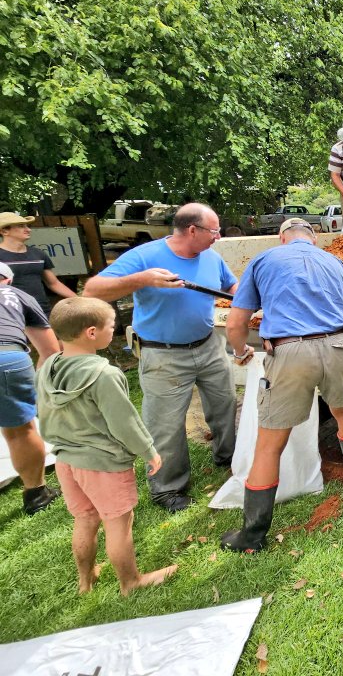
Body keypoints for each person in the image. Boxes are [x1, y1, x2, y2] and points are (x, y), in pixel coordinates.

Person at [83, 203, 237, 512]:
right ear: (192, 230)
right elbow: (92, 291)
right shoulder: (144, 257)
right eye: (214, 230)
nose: (218, 237)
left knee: (225, 405)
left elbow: (230, 285)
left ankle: (228, 456)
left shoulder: (211, 256)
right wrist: (142, 280)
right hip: (163, 354)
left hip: (208, 346)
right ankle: (168, 488)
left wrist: (247, 298)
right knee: (165, 424)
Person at [220, 217, 343, 553]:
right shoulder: (336, 262)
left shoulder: (264, 260)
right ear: (313, 238)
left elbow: (236, 323)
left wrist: (240, 352)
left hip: (290, 351)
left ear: (282, 237)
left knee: (269, 443)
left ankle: (252, 536)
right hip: (338, 345)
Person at [37, 297, 178, 595]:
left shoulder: (49, 366)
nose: (114, 330)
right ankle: (131, 582)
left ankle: (85, 581)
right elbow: (124, 423)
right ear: (91, 332)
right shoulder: (104, 375)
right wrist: (148, 450)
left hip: (66, 460)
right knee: (118, 523)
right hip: (103, 463)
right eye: (111, 326)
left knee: (85, 518)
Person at [0, 260, 62, 514]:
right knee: (20, 431)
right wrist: (35, 383)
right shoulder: (18, 295)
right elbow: (50, 350)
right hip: (7, 358)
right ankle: (37, 494)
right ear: (8, 280)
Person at [0, 212, 77, 313]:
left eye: (27, 226)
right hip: (10, 313)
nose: (28, 229)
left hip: (41, 311)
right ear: (4, 231)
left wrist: (80, 300)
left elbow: (53, 283)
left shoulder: (38, 254)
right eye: (21, 226)